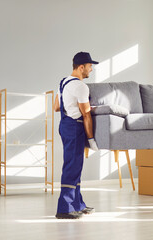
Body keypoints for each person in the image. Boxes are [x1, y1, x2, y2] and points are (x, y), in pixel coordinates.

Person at [54, 52, 99, 219]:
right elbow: (86, 115)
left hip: (65, 125)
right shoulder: (81, 86)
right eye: (89, 66)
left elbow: (57, 107)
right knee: (72, 166)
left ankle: (77, 204)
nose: (91, 69)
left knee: (75, 165)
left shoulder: (62, 82)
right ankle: (64, 209)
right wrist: (91, 139)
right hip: (75, 127)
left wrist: (76, 104)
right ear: (81, 67)